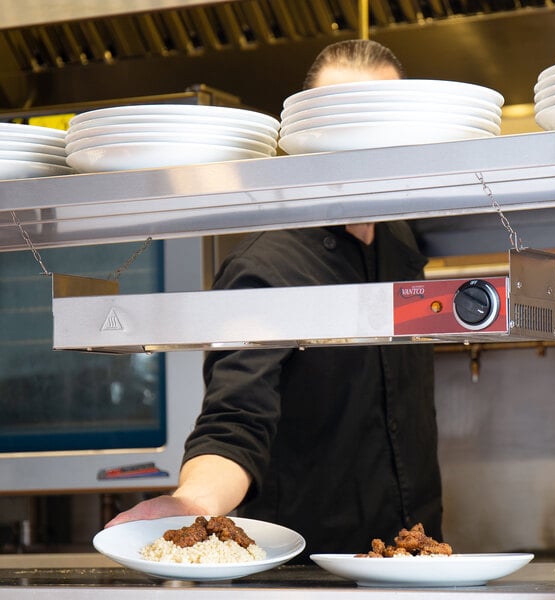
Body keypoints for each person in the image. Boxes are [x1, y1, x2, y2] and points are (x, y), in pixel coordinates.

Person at [106, 39, 443, 562]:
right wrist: (194, 501)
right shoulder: (267, 266)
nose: (361, 143)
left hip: (416, 558)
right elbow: (235, 419)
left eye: (376, 120)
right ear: (305, 135)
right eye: (339, 122)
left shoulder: (402, 241)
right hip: (308, 574)